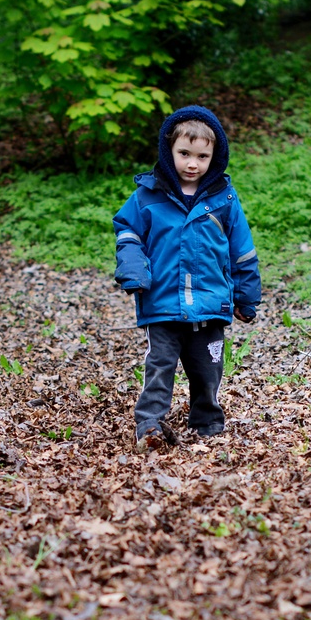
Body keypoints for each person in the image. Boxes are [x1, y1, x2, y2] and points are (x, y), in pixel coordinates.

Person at [112, 106, 260, 448]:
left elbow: (242, 249)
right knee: (160, 366)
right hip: (162, 301)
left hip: (210, 301)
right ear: (169, 151)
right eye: (184, 154)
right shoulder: (148, 196)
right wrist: (133, 269)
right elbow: (128, 233)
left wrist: (246, 296)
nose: (192, 164)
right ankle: (150, 424)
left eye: (202, 156)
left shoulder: (224, 199)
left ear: (214, 157)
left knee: (208, 368)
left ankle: (207, 421)